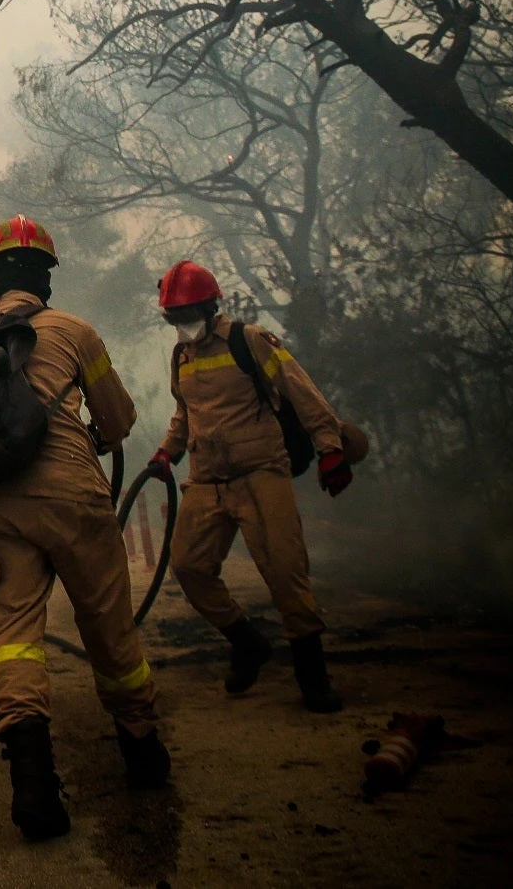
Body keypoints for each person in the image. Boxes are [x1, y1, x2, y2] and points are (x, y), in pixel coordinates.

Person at [0, 216, 166, 841]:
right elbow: (117, 419)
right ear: (46, 276)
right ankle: (142, 749)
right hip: (72, 495)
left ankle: (34, 784)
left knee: (14, 634)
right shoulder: (74, 331)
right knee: (107, 623)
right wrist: (88, 435)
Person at [145, 260, 354, 713]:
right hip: (207, 480)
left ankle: (313, 680)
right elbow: (185, 412)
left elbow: (302, 392)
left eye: (187, 314)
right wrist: (167, 452)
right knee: (188, 566)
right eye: (173, 318)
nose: (181, 325)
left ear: (209, 305)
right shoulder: (182, 356)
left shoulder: (250, 340)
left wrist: (330, 447)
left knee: (285, 574)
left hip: (261, 474)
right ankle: (247, 642)